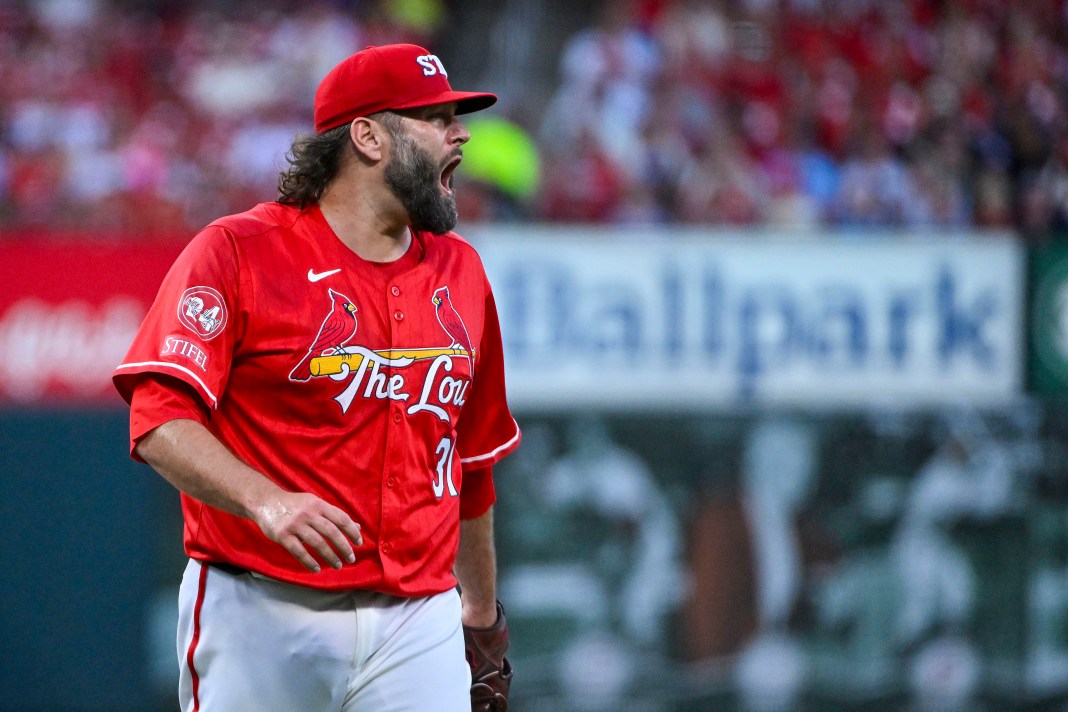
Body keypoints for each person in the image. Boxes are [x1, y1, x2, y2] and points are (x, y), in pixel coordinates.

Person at [113, 43, 521, 712]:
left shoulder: (463, 273)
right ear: (368, 137)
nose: (462, 133)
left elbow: (470, 460)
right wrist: (266, 500)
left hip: (419, 620)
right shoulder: (238, 251)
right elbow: (159, 419)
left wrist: (479, 614)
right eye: (436, 117)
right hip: (261, 605)